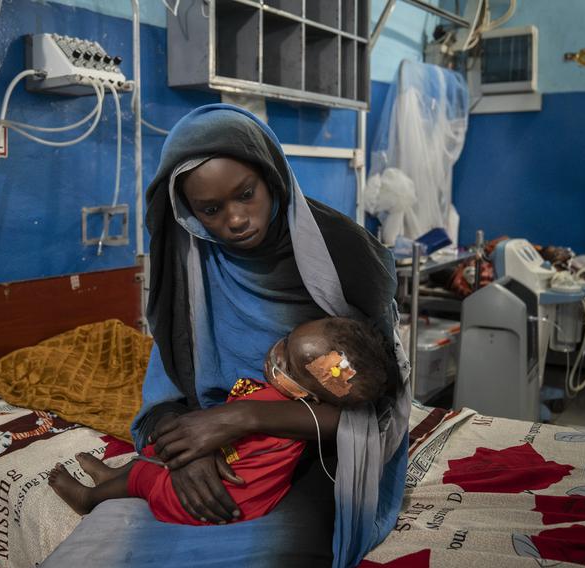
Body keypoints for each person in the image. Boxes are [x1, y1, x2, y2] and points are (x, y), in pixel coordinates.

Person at [119, 104, 407, 567]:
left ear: (272, 177)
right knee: (122, 541)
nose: (234, 220)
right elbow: (171, 392)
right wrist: (186, 452)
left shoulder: (344, 254)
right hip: (212, 434)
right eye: (210, 209)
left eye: (246, 194)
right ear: (187, 213)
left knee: (286, 547)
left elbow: (372, 405)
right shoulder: (191, 265)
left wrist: (244, 418)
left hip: (318, 444)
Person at [48, 316, 398, 526]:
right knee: (159, 447)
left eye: (289, 365)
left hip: (207, 500)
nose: (275, 353)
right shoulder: (291, 403)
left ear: (312, 396)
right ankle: (114, 476)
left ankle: (89, 498)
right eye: (286, 340)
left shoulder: (279, 409)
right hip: (239, 492)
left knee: (151, 472)